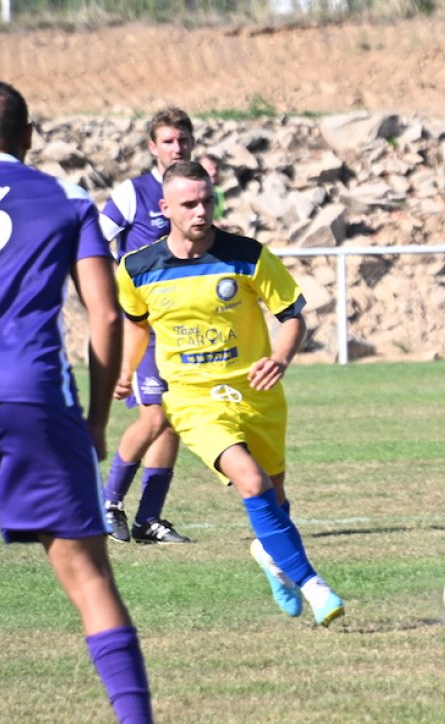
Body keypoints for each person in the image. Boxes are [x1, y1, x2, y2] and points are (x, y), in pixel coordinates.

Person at [0, 80, 179, 724]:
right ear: (29, 138)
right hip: (35, 394)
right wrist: (97, 417)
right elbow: (105, 319)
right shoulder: (68, 204)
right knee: (88, 577)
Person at [114, 160, 345, 627]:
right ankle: (315, 586)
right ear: (165, 208)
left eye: (207, 201)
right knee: (251, 482)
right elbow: (136, 325)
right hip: (192, 399)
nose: (200, 212)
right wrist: (124, 370)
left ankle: (270, 555)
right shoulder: (136, 268)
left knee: (275, 500)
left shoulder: (249, 255)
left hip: (257, 395)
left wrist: (279, 359)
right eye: (188, 204)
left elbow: (293, 316)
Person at [98, 107, 197, 546]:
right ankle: (107, 503)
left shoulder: (198, 190)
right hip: (142, 327)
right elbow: (92, 239)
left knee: (171, 422)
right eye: (169, 141)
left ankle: (149, 519)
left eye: (183, 139)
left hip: (183, 326)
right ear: (153, 147)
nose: (177, 147)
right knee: (154, 415)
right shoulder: (132, 193)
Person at [197, 152, 227, 220]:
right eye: (209, 169)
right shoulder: (193, 194)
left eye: (215, 168)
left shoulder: (218, 192)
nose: (214, 172)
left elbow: (218, 217)